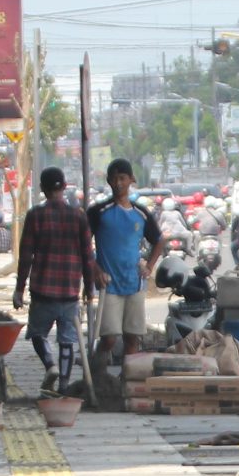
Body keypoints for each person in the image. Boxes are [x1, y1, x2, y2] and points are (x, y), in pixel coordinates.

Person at [12, 167, 94, 397]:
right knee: (67, 339)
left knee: (38, 334)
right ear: (64, 187)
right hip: (69, 290)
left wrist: (19, 289)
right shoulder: (78, 217)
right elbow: (88, 257)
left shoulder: (35, 215)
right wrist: (89, 288)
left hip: (42, 290)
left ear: (42, 189)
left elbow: (26, 255)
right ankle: (64, 385)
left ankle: (51, 365)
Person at [85, 158, 153, 370]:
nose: (118, 183)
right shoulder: (98, 212)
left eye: (122, 178)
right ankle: (96, 378)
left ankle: (126, 382)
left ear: (131, 179)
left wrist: (149, 265)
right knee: (109, 338)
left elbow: (159, 240)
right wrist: (96, 268)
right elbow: (83, 244)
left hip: (134, 283)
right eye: (114, 179)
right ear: (108, 181)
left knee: (132, 338)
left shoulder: (141, 213)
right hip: (109, 285)